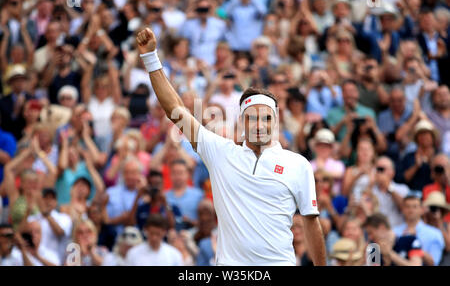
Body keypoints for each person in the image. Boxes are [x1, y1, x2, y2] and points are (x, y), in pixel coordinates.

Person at [136, 27, 326, 265]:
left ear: (275, 121)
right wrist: (151, 58)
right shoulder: (221, 152)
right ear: (242, 121)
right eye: (252, 117)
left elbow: (311, 222)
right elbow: (176, 110)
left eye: (266, 117)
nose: (259, 124)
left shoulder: (298, 164)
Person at [393, 195, 445, 266]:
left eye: (415, 207)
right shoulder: (394, 232)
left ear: (422, 209)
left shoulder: (435, 233)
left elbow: (434, 262)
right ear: (402, 209)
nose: (411, 210)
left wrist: (413, 244)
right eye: (407, 206)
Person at [27, 188, 72, 262]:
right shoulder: (32, 218)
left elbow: (59, 232)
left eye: (52, 199)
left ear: (56, 202)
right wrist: (28, 210)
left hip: (54, 260)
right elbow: (20, 233)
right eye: (45, 198)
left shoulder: (64, 218)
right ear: (40, 201)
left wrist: (46, 213)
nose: (48, 201)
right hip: (33, 258)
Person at [370, 156, 410, 228]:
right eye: (377, 169)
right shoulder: (371, 189)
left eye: (381, 169)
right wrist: (370, 183)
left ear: (392, 172)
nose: (378, 172)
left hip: (396, 231)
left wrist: (389, 188)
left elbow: (405, 209)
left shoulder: (402, 188)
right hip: (376, 231)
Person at [165, 159, 204, 230]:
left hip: (194, 235)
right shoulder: (164, 196)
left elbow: (205, 222)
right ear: (170, 175)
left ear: (188, 174)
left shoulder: (198, 195)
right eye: (174, 173)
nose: (177, 176)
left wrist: (190, 222)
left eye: (180, 173)